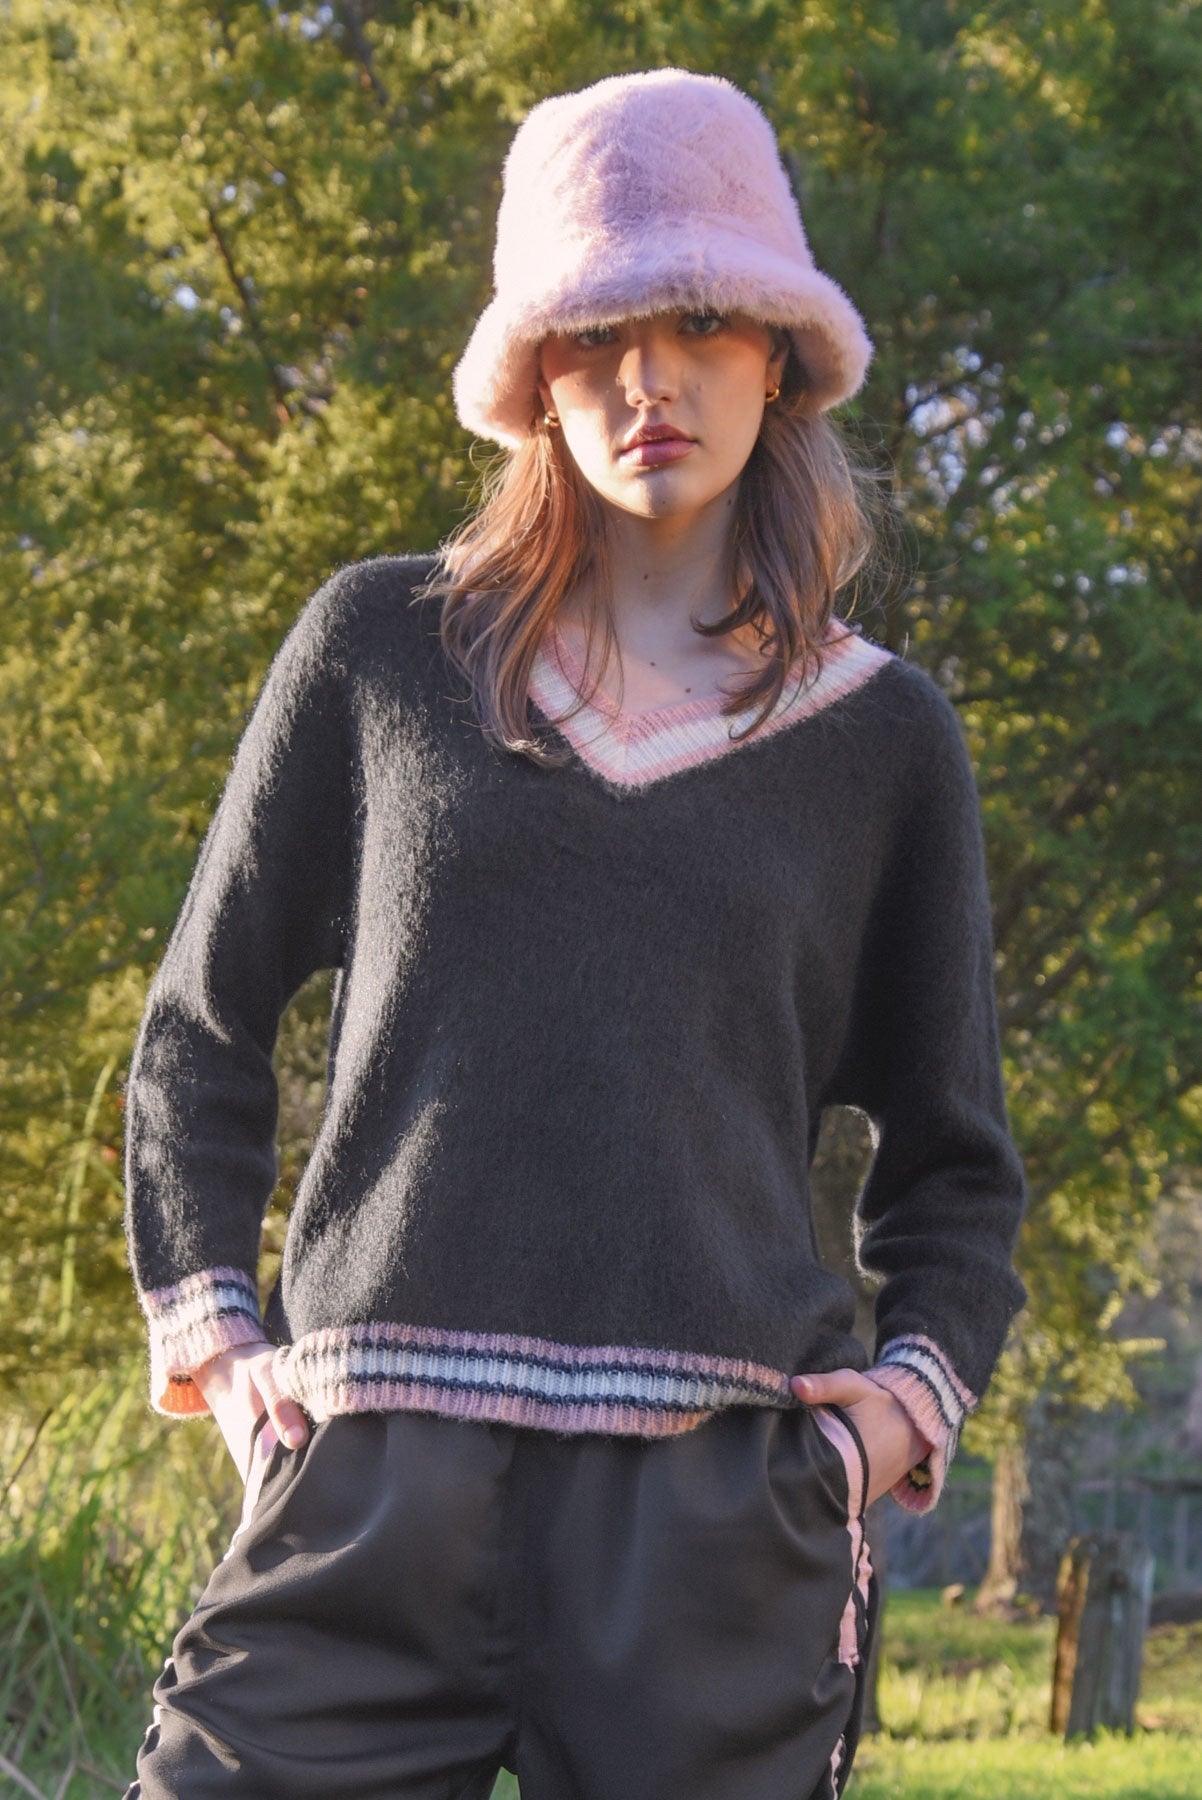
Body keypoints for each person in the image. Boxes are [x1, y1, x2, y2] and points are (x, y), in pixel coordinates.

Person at [122, 67, 1027, 1800]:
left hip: (713, 1522)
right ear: (532, 371)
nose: (646, 378)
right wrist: (225, 1353)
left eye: (699, 320)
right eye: (594, 331)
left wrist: (898, 1413)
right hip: (367, 1491)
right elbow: (197, 1037)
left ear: (779, 354)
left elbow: (954, 1161)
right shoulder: (377, 654)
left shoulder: (882, 738)